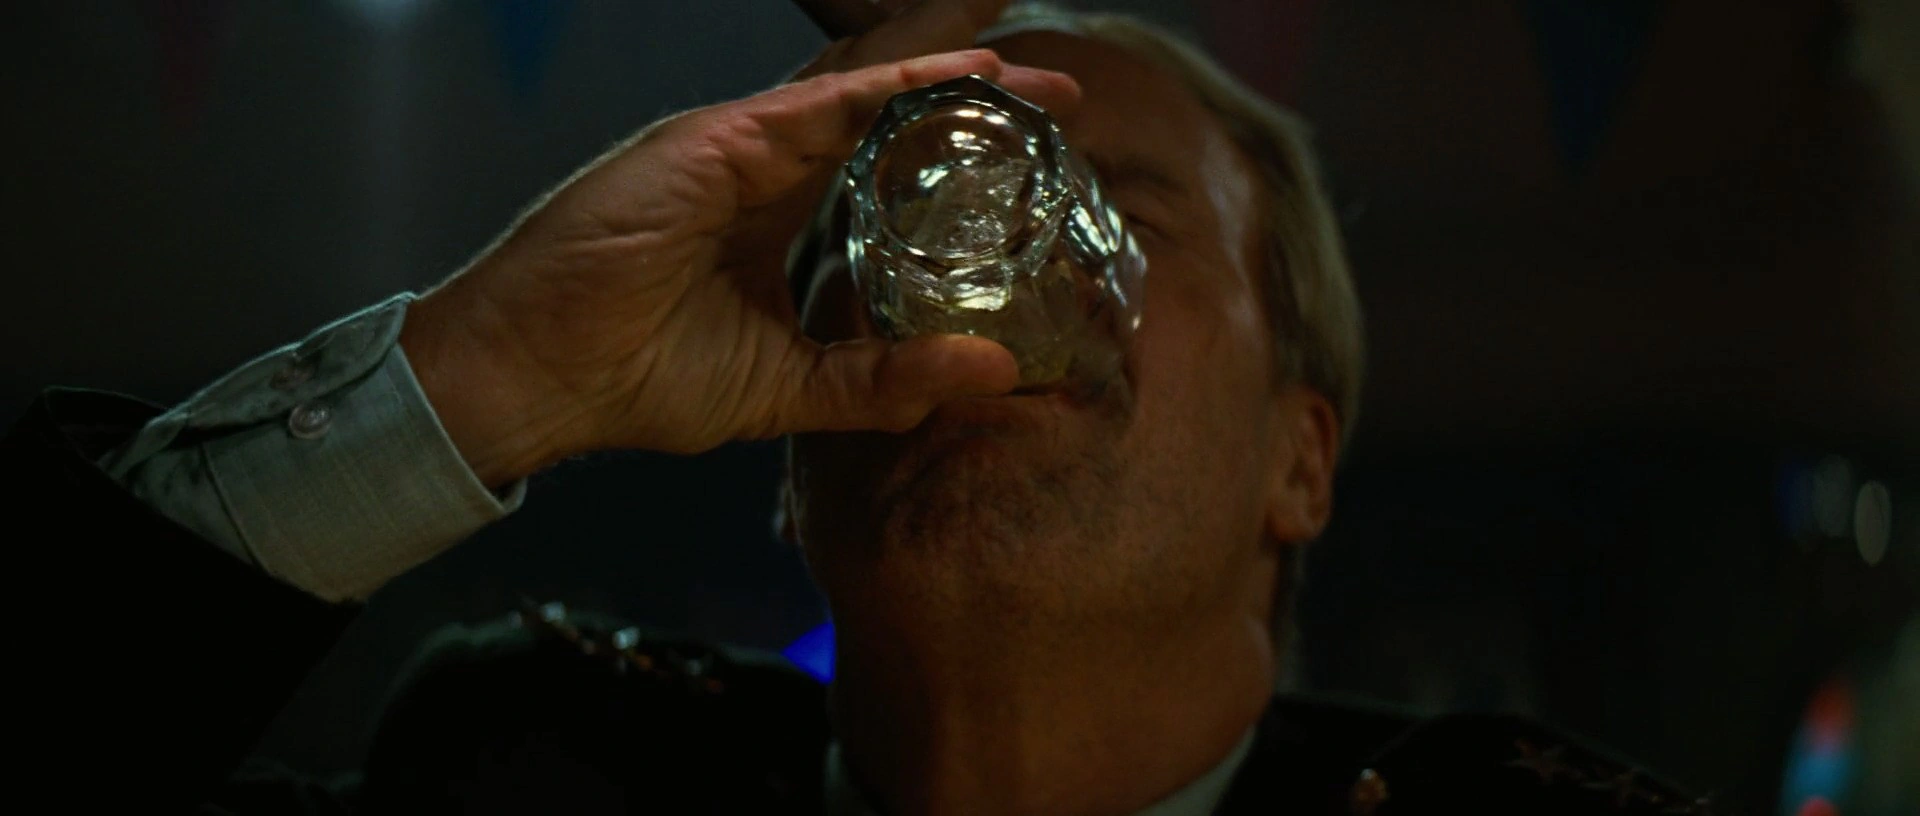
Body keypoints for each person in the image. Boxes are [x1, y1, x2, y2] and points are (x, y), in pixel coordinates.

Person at [1, 2, 1705, 813]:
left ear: (1300, 461)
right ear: (792, 473)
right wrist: (486, 369)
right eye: (879, 224)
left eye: (1127, 204)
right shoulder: (530, 772)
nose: (987, 298)